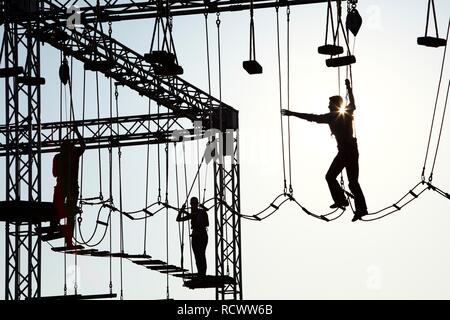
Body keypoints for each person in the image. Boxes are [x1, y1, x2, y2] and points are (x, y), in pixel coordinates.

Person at [281, 79, 368, 221]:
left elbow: (311, 117)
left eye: (329, 104)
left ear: (334, 105)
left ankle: (345, 202)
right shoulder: (346, 113)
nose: (328, 106)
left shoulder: (332, 116)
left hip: (347, 151)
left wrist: (292, 113)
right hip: (350, 150)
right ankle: (359, 208)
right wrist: (349, 89)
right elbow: (352, 104)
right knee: (351, 182)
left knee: (333, 177)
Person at [52, 125, 86, 247]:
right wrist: (76, 131)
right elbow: (83, 146)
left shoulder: (58, 157)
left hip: (62, 187)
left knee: (57, 208)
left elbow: (54, 174)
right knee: (70, 212)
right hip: (71, 187)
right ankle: (68, 240)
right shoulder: (74, 154)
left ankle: (54, 226)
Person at [176, 197, 209, 276]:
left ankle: (202, 273)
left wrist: (197, 217)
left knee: (201, 254)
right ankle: (200, 272)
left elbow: (207, 223)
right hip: (195, 236)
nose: (192, 206)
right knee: (197, 255)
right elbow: (178, 219)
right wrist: (181, 211)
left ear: (197, 204)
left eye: (194, 204)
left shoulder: (202, 212)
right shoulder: (192, 214)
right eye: (192, 204)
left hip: (202, 235)